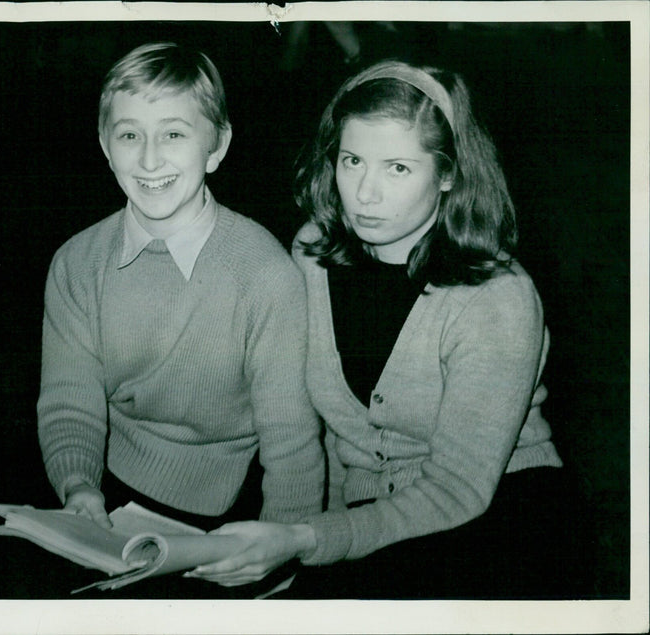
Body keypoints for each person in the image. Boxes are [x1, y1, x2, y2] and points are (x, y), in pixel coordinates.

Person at [188, 59, 592, 599]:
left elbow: (457, 489)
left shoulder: (497, 297)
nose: (364, 193)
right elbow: (322, 436)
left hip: (499, 517)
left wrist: (306, 540)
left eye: (397, 168)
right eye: (352, 160)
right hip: (368, 524)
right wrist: (293, 547)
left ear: (448, 174)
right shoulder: (313, 254)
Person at [36, 42, 324, 596]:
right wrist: (78, 488)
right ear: (104, 146)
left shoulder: (264, 272)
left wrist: (283, 553)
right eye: (128, 135)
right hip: (107, 482)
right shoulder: (77, 262)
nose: (148, 160)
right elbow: (70, 401)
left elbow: (290, 440)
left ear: (216, 146)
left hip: (232, 499)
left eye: (173, 133)